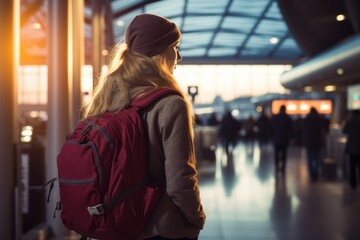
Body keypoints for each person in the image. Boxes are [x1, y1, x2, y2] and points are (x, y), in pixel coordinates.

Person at [82, 13, 205, 240]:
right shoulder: (170, 104)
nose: (179, 57)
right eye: (175, 47)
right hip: (161, 230)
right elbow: (180, 180)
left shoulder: (107, 98)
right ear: (160, 52)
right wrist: (197, 218)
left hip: (115, 224)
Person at [302, 107, 328, 181]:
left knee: (310, 159)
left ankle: (311, 174)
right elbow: (324, 129)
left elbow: (303, 130)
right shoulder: (319, 119)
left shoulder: (307, 119)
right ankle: (316, 172)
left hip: (309, 142)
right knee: (317, 158)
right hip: (318, 141)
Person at [270, 105, 293, 175]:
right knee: (284, 154)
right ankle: (283, 168)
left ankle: (277, 167)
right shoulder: (288, 118)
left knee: (276, 154)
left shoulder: (275, 117)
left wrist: (272, 136)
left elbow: (271, 128)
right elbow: (291, 129)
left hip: (276, 138)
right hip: (285, 139)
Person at [343, 109, 360, 190]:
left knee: (352, 167)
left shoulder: (350, 121)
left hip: (352, 147)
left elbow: (344, 131)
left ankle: (353, 183)